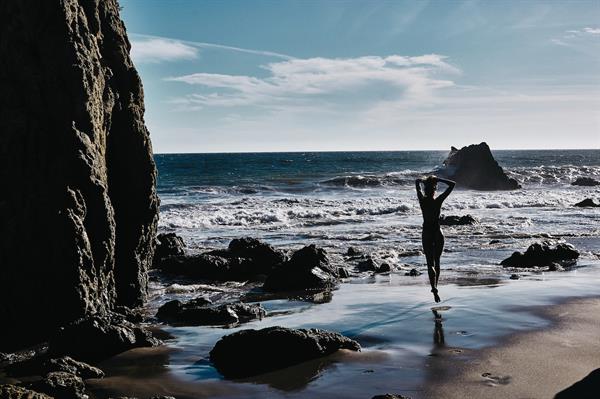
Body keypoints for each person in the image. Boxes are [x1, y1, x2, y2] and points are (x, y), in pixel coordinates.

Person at [415, 175, 455, 302]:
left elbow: (416, 183)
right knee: (437, 262)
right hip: (437, 232)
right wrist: (439, 179)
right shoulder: (438, 201)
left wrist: (422, 181)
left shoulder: (422, 200)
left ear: (425, 189)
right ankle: (436, 285)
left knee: (429, 263)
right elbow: (452, 184)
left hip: (426, 232)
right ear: (434, 189)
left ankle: (434, 287)